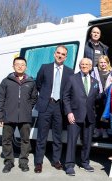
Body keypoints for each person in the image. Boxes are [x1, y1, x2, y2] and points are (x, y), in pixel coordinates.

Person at [34, 45, 74, 173]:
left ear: (66, 57)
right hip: (46, 105)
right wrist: (46, 97)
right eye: (58, 53)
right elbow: (38, 84)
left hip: (59, 107)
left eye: (63, 54)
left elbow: (69, 91)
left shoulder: (70, 72)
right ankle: (38, 162)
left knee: (58, 136)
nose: (60, 55)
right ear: (54, 54)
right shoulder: (44, 68)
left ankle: (56, 161)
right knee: (42, 136)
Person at [0, 57, 38, 173]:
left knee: (25, 140)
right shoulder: (6, 81)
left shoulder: (31, 82)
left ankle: (23, 162)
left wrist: (27, 108)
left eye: (22, 64)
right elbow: (0, 99)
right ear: (13, 66)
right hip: (8, 115)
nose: (20, 66)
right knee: (6, 140)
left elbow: (34, 98)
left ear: (26, 67)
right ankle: (9, 162)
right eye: (17, 64)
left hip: (25, 116)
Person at [63, 58, 99, 176]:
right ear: (79, 66)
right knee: (72, 141)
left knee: (87, 142)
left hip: (89, 117)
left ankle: (85, 162)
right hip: (74, 115)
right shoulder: (72, 78)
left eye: (87, 64)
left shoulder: (95, 81)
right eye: (82, 64)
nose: (84, 66)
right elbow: (66, 97)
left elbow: (96, 99)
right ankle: (69, 165)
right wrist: (69, 112)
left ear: (91, 66)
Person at [91, 55, 112, 138]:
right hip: (98, 96)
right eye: (101, 62)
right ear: (98, 63)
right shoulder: (94, 72)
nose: (103, 64)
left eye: (105, 62)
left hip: (108, 97)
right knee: (98, 114)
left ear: (108, 63)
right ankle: (97, 131)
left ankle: (105, 131)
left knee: (106, 114)